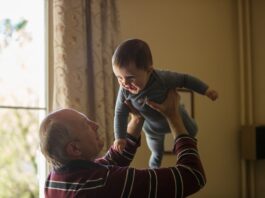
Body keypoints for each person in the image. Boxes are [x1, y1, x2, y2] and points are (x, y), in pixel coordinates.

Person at [39, 90, 206, 198]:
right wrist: (174, 117)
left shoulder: (54, 180)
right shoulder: (105, 183)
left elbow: (110, 161)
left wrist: (137, 119)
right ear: (74, 148)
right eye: (86, 125)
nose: (95, 125)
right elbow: (192, 176)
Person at [112, 38, 218, 168]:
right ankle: (154, 170)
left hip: (177, 114)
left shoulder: (162, 79)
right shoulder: (124, 91)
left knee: (193, 130)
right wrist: (120, 137)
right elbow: (119, 113)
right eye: (119, 78)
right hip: (152, 128)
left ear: (149, 71)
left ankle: (179, 146)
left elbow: (185, 79)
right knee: (156, 152)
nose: (125, 83)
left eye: (130, 78)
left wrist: (206, 90)